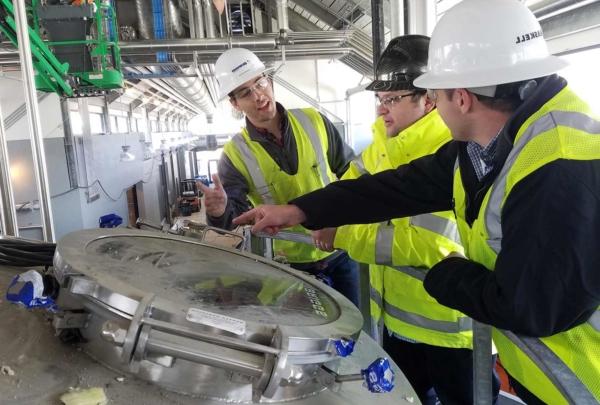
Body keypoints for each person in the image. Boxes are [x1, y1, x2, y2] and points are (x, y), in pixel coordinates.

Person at [233, 1, 600, 404]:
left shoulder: (558, 163)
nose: (433, 108)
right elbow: (398, 187)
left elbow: (532, 308)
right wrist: (300, 210)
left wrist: (445, 273)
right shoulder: (489, 145)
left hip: (581, 383)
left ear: (460, 98)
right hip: (548, 373)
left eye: (435, 95)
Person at [312, 35, 498, 405]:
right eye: (380, 100)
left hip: (453, 331)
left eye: (392, 99)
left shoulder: (452, 150)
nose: (382, 110)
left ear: (428, 99)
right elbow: (347, 192)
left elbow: (431, 243)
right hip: (396, 324)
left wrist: (344, 236)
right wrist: (313, 212)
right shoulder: (382, 142)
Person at [199, 47, 360, 307]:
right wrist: (219, 211)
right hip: (289, 265)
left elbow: (352, 175)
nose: (258, 95)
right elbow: (234, 222)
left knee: (351, 336)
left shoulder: (313, 120)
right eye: (245, 92)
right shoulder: (234, 154)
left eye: (260, 82)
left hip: (339, 250)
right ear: (235, 103)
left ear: (269, 80)